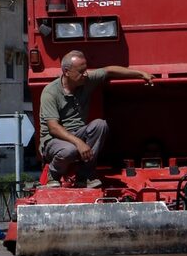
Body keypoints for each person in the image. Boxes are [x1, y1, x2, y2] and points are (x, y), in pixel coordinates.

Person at [39, 49, 154, 188]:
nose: (85, 74)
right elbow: (53, 128)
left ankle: (84, 175)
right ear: (66, 72)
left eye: (85, 70)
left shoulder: (85, 80)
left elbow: (109, 70)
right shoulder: (50, 92)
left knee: (100, 125)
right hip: (55, 140)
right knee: (70, 150)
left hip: (78, 132)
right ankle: (53, 174)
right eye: (81, 71)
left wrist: (141, 74)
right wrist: (79, 143)